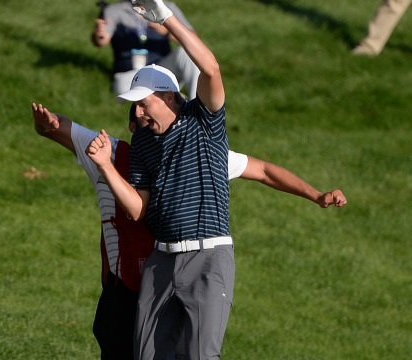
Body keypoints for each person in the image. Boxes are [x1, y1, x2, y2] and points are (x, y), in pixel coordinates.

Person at [84, 1, 347, 359]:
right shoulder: (143, 141)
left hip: (208, 258)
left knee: (199, 355)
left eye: (143, 104)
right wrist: (105, 167)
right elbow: (136, 209)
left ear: (168, 97)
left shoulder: (203, 120)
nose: (139, 112)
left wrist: (168, 21)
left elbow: (210, 68)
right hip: (161, 261)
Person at [32, 101, 347, 360]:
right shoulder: (108, 153)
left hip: (174, 283)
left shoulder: (198, 155)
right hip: (124, 294)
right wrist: (47, 122)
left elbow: (263, 170)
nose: (153, 138)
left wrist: (316, 195)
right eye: (143, 125)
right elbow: (59, 128)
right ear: (132, 130)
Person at [91, 0, 200, 97]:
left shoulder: (167, 8)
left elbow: (194, 40)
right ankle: (169, 96)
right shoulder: (116, 10)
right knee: (121, 86)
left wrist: (167, 31)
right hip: (130, 73)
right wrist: (99, 33)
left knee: (186, 53)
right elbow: (101, 41)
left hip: (161, 68)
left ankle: (197, 106)